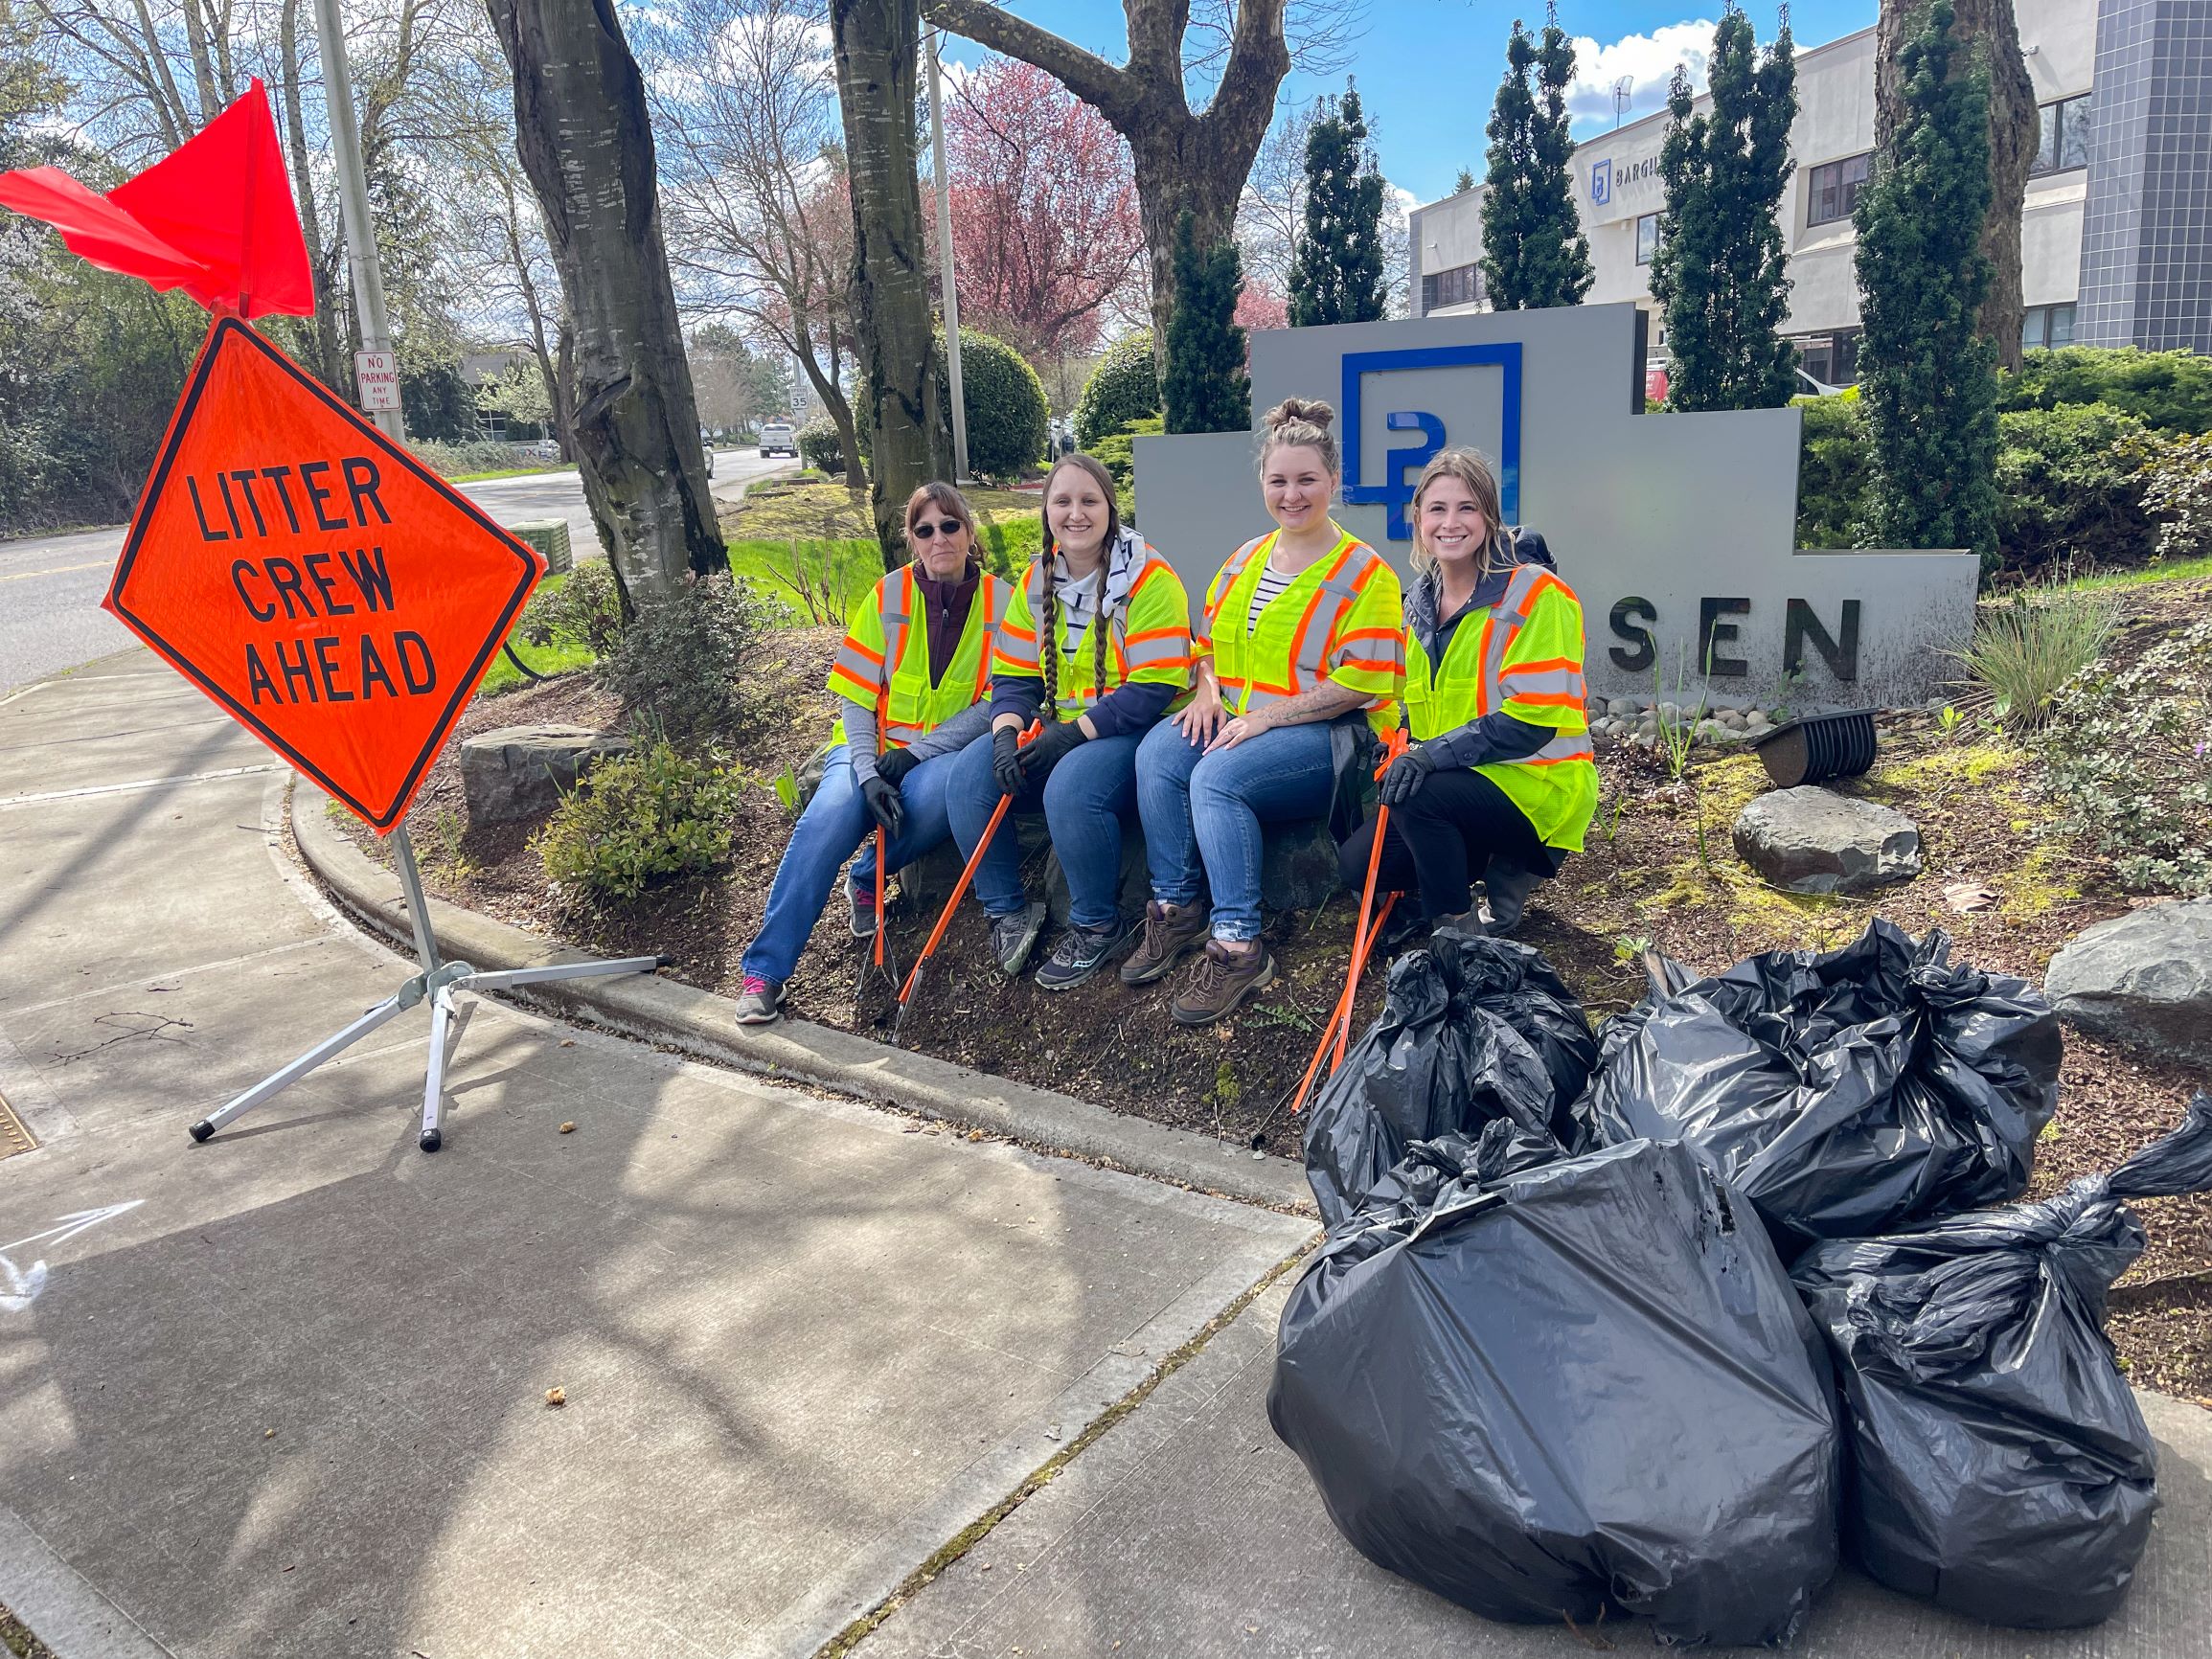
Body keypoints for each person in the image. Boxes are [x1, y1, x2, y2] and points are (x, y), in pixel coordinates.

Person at [1127, 398, 1405, 1026]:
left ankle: (1237, 944)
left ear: (1333, 482)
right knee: (1159, 755)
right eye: (1278, 481)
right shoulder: (1244, 559)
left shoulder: (1367, 574)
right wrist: (1205, 690)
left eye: (1306, 480)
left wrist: (1269, 718)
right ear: (1262, 485)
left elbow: (1363, 682)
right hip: (1241, 722)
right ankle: (1177, 909)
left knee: (1216, 777)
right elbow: (1207, 647)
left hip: (1331, 739)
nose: (1292, 494)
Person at [734, 484, 1010, 1024]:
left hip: (936, 758)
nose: (939, 539)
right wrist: (865, 773)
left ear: (970, 533)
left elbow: (996, 704)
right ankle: (765, 972)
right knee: (827, 822)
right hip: (864, 754)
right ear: (911, 539)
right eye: (925, 530)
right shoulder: (888, 595)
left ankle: (866, 879)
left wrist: (916, 755)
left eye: (950, 526)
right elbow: (856, 696)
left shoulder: (1005, 603)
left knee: (949, 795)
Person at [946, 453, 1193, 989]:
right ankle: (1007, 914)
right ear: (1046, 511)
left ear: (1111, 509)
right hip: (1061, 728)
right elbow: (1013, 676)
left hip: (1134, 731)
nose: (1075, 513)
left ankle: (1096, 924)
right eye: (1062, 501)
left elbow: (1153, 689)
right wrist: (1007, 733)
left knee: (1072, 788)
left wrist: (1069, 737)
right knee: (968, 775)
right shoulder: (1037, 579)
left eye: (1089, 501)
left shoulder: (1150, 578)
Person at [1336, 447, 1598, 939]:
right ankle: (1481, 860)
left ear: (1489, 518)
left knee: (1421, 797)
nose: (1450, 523)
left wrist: (1429, 759)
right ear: (1417, 519)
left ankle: (1458, 934)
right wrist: (1401, 743)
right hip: (1463, 781)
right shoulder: (1417, 604)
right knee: (1360, 869)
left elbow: (1533, 722)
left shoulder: (1537, 595)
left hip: (1537, 787)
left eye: (1467, 508)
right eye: (1437, 509)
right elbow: (1422, 708)